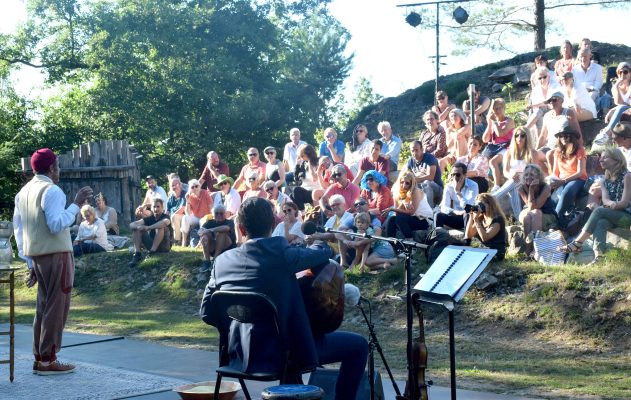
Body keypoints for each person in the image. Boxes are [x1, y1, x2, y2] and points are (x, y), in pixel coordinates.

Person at [200, 197, 368, 400]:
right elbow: (321, 253)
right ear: (273, 225)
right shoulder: (281, 254)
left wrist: (242, 325)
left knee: (287, 335)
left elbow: (207, 313)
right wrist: (318, 242)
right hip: (286, 356)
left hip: (237, 357)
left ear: (241, 229)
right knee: (358, 346)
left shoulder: (221, 262)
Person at [13, 148, 93, 375]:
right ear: (51, 168)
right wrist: (76, 204)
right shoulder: (52, 190)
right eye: (57, 165)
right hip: (57, 254)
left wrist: (30, 262)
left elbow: (19, 231)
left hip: (37, 255)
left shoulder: (24, 192)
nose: (59, 170)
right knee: (57, 307)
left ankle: (40, 356)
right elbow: (57, 224)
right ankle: (49, 359)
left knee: (43, 306)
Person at [560, 148, 631, 265]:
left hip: (627, 218)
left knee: (599, 211)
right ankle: (600, 257)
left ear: (616, 160)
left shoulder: (627, 176)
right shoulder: (604, 180)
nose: (601, 160)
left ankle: (577, 243)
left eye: (605, 157)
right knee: (600, 222)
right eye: (600, 157)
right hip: (613, 215)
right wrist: (610, 204)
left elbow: (624, 203)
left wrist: (611, 205)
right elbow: (605, 200)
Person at [492, 126, 541, 218]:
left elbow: (535, 172)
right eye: (517, 135)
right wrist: (512, 175)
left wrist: (522, 175)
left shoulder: (533, 153)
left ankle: (493, 197)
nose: (519, 138)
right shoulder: (509, 153)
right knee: (515, 186)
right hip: (514, 181)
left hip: (528, 182)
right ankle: (518, 218)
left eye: (522, 135)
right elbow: (505, 171)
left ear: (527, 137)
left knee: (517, 181)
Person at [549, 126, 587, 228]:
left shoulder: (580, 150)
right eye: (561, 136)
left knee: (567, 192)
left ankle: (555, 222)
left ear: (573, 137)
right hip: (561, 180)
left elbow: (580, 172)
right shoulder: (557, 151)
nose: (564, 138)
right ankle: (561, 221)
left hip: (578, 179)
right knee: (554, 198)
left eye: (567, 136)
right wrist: (552, 182)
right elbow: (555, 172)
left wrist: (563, 181)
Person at [537, 91, 582, 166]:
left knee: (550, 154)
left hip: (564, 146)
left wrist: (580, 148)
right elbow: (542, 136)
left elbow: (577, 131)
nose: (551, 102)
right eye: (549, 101)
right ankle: (546, 176)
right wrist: (536, 149)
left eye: (554, 99)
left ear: (562, 100)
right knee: (533, 154)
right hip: (550, 146)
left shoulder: (569, 112)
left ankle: (553, 176)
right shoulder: (546, 116)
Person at [384, 171, 433, 239]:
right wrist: (403, 203)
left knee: (400, 218)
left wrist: (391, 209)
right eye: (402, 182)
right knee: (391, 220)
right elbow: (396, 213)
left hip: (423, 220)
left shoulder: (415, 191)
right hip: (411, 218)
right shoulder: (397, 193)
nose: (404, 185)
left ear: (411, 184)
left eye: (407, 183)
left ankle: (410, 240)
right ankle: (391, 244)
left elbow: (411, 212)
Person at [594, 62, 631, 145]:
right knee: (619, 108)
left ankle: (607, 133)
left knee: (620, 109)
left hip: (627, 111)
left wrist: (613, 109)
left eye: (625, 72)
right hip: (624, 112)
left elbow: (622, 105)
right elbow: (618, 102)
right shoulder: (615, 87)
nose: (622, 74)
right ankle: (608, 136)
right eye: (620, 72)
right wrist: (617, 86)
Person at [518, 164, 558, 238]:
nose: (528, 177)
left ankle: (535, 243)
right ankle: (529, 246)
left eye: (532, 175)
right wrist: (529, 189)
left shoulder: (546, 187)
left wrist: (531, 189)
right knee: (528, 217)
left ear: (538, 176)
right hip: (529, 211)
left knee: (536, 213)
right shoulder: (522, 188)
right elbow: (530, 207)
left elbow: (535, 207)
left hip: (547, 214)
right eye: (526, 175)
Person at [436, 162, 479, 230]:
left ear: (465, 175)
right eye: (453, 175)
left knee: (467, 214)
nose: (455, 177)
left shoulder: (473, 185)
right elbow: (444, 207)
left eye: (458, 175)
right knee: (439, 215)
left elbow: (468, 207)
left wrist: (458, 192)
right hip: (455, 215)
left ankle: (467, 238)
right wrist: (456, 212)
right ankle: (438, 237)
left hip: (469, 217)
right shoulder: (448, 186)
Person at [129, 198, 172, 266]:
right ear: (151, 208)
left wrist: (148, 227)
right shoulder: (150, 218)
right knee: (136, 229)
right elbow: (131, 224)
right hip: (151, 243)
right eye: (154, 207)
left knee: (160, 226)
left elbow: (165, 222)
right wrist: (138, 227)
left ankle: (152, 252)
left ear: (162, 208)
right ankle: (137, 253)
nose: (156, 209)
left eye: (158, 206)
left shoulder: (166, 216)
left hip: (164, 246)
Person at [482, 98, 515, 188]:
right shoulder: (493, 123)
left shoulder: (509, 121)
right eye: (495, 108)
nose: (497, 110)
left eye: (500, 108)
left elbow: (500, 134)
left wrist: (495, 122)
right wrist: (489, 124)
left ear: (504, 109)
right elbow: (485, 139)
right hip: (494, 147)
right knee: (480, 161)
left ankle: (496, 187)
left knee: (493, 162)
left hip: (506, 147)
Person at [464, 193, 507, 260]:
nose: (479, 207)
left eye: (481, 204)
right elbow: (468, 235)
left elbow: (485, 237)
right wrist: (471, 216)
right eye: (477, 205)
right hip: (484, 251)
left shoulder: (498, 219)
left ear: (490, 205)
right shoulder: (481, 219)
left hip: (496, 253)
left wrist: (476, 220)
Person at [403, 140, 443, 208]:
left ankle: (430, 211)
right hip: (419, 187)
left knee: (426, 183)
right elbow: (408, 177)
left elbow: (431, 177)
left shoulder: (430, 158)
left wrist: (415, 180)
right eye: (412, 151)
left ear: (422, 149)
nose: (414, 153)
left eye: (416, 150)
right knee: (405, 185)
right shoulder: (410, 161)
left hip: (436, 188)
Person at [526, 67, 561, 140]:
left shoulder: (555, 85)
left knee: (539, 111)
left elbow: (552, 101)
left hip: (555, 108)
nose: (542, 79)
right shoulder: (536, 89)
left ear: (549, 76)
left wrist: (534, 105)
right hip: (542, 110)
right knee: (538, 113)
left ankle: (525, 130)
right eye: (539, 78)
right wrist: (535, 106)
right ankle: (528, 133)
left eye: (544, 77)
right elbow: (536, 107)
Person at [198, 205, 236, 272]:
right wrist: (203, 234)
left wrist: (210, 230)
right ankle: (207, 261)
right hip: (213, 248)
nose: (219, 215)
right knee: (205, 235)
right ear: (213, 214)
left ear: (225, 214)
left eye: (221, 213)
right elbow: (200, 231)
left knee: (222, 233)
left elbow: (226, 228)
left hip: (227, 249)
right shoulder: (210, 222)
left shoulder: (229, 222)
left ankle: (214, 261)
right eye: (216, 213)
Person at [290, 144, 324, 210]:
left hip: (315, 190)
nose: (301, 158)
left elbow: (314, 178)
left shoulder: (319, 163)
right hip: (305, 190)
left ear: (308, 154)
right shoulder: (303, 164)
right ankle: (300, 213)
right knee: (291, 195)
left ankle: (302, 212)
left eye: (302, 156)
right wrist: (297, 165)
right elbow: (296, 179)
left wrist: (310, 164)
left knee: (296, 190)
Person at [182, 179, 213, 246]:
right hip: (196, 217)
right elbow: (188, 213)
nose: (195, 188)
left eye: (196, 186)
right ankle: (184, 241)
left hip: (206, 216)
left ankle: (201, 243)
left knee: (202, 221)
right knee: (185, 218)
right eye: (192, 187)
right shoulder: (190, 196)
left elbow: (211, 206)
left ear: (200, 186)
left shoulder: (205, 193)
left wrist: (211, 217)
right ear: (190, 189)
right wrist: (187, 200)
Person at [166, 176, 187, 244]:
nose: (174, 187)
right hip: (173, 217)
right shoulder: (170, 197)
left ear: (180, 185)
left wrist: (171, 216)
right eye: (172, 185)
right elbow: (167, 211)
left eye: (176, 184)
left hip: (183, 216)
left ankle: (177, 240)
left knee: (174, 217)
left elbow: (183, 209)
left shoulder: (185, 194)